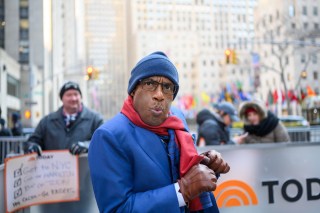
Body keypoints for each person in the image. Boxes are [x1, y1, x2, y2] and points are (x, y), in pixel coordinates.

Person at [88, 52, 230, 213]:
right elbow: (117, 209)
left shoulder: (177, 118)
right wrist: (182, 190)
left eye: (167, 87)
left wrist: (204, 166)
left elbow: (180, 169)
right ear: (134, 90)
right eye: (150, 84)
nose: (159, 95)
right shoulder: (108, 136)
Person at [24, 81, 104, 155]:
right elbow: (32, 141)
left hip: (85, 169)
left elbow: (103, 141)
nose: (73, 98)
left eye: (76, 94)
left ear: (81, 97)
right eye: (69, 95)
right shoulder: (47, 121)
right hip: (54, 168)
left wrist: (87, 146)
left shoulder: (95, 119)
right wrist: (32, 147)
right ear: (62, 98)